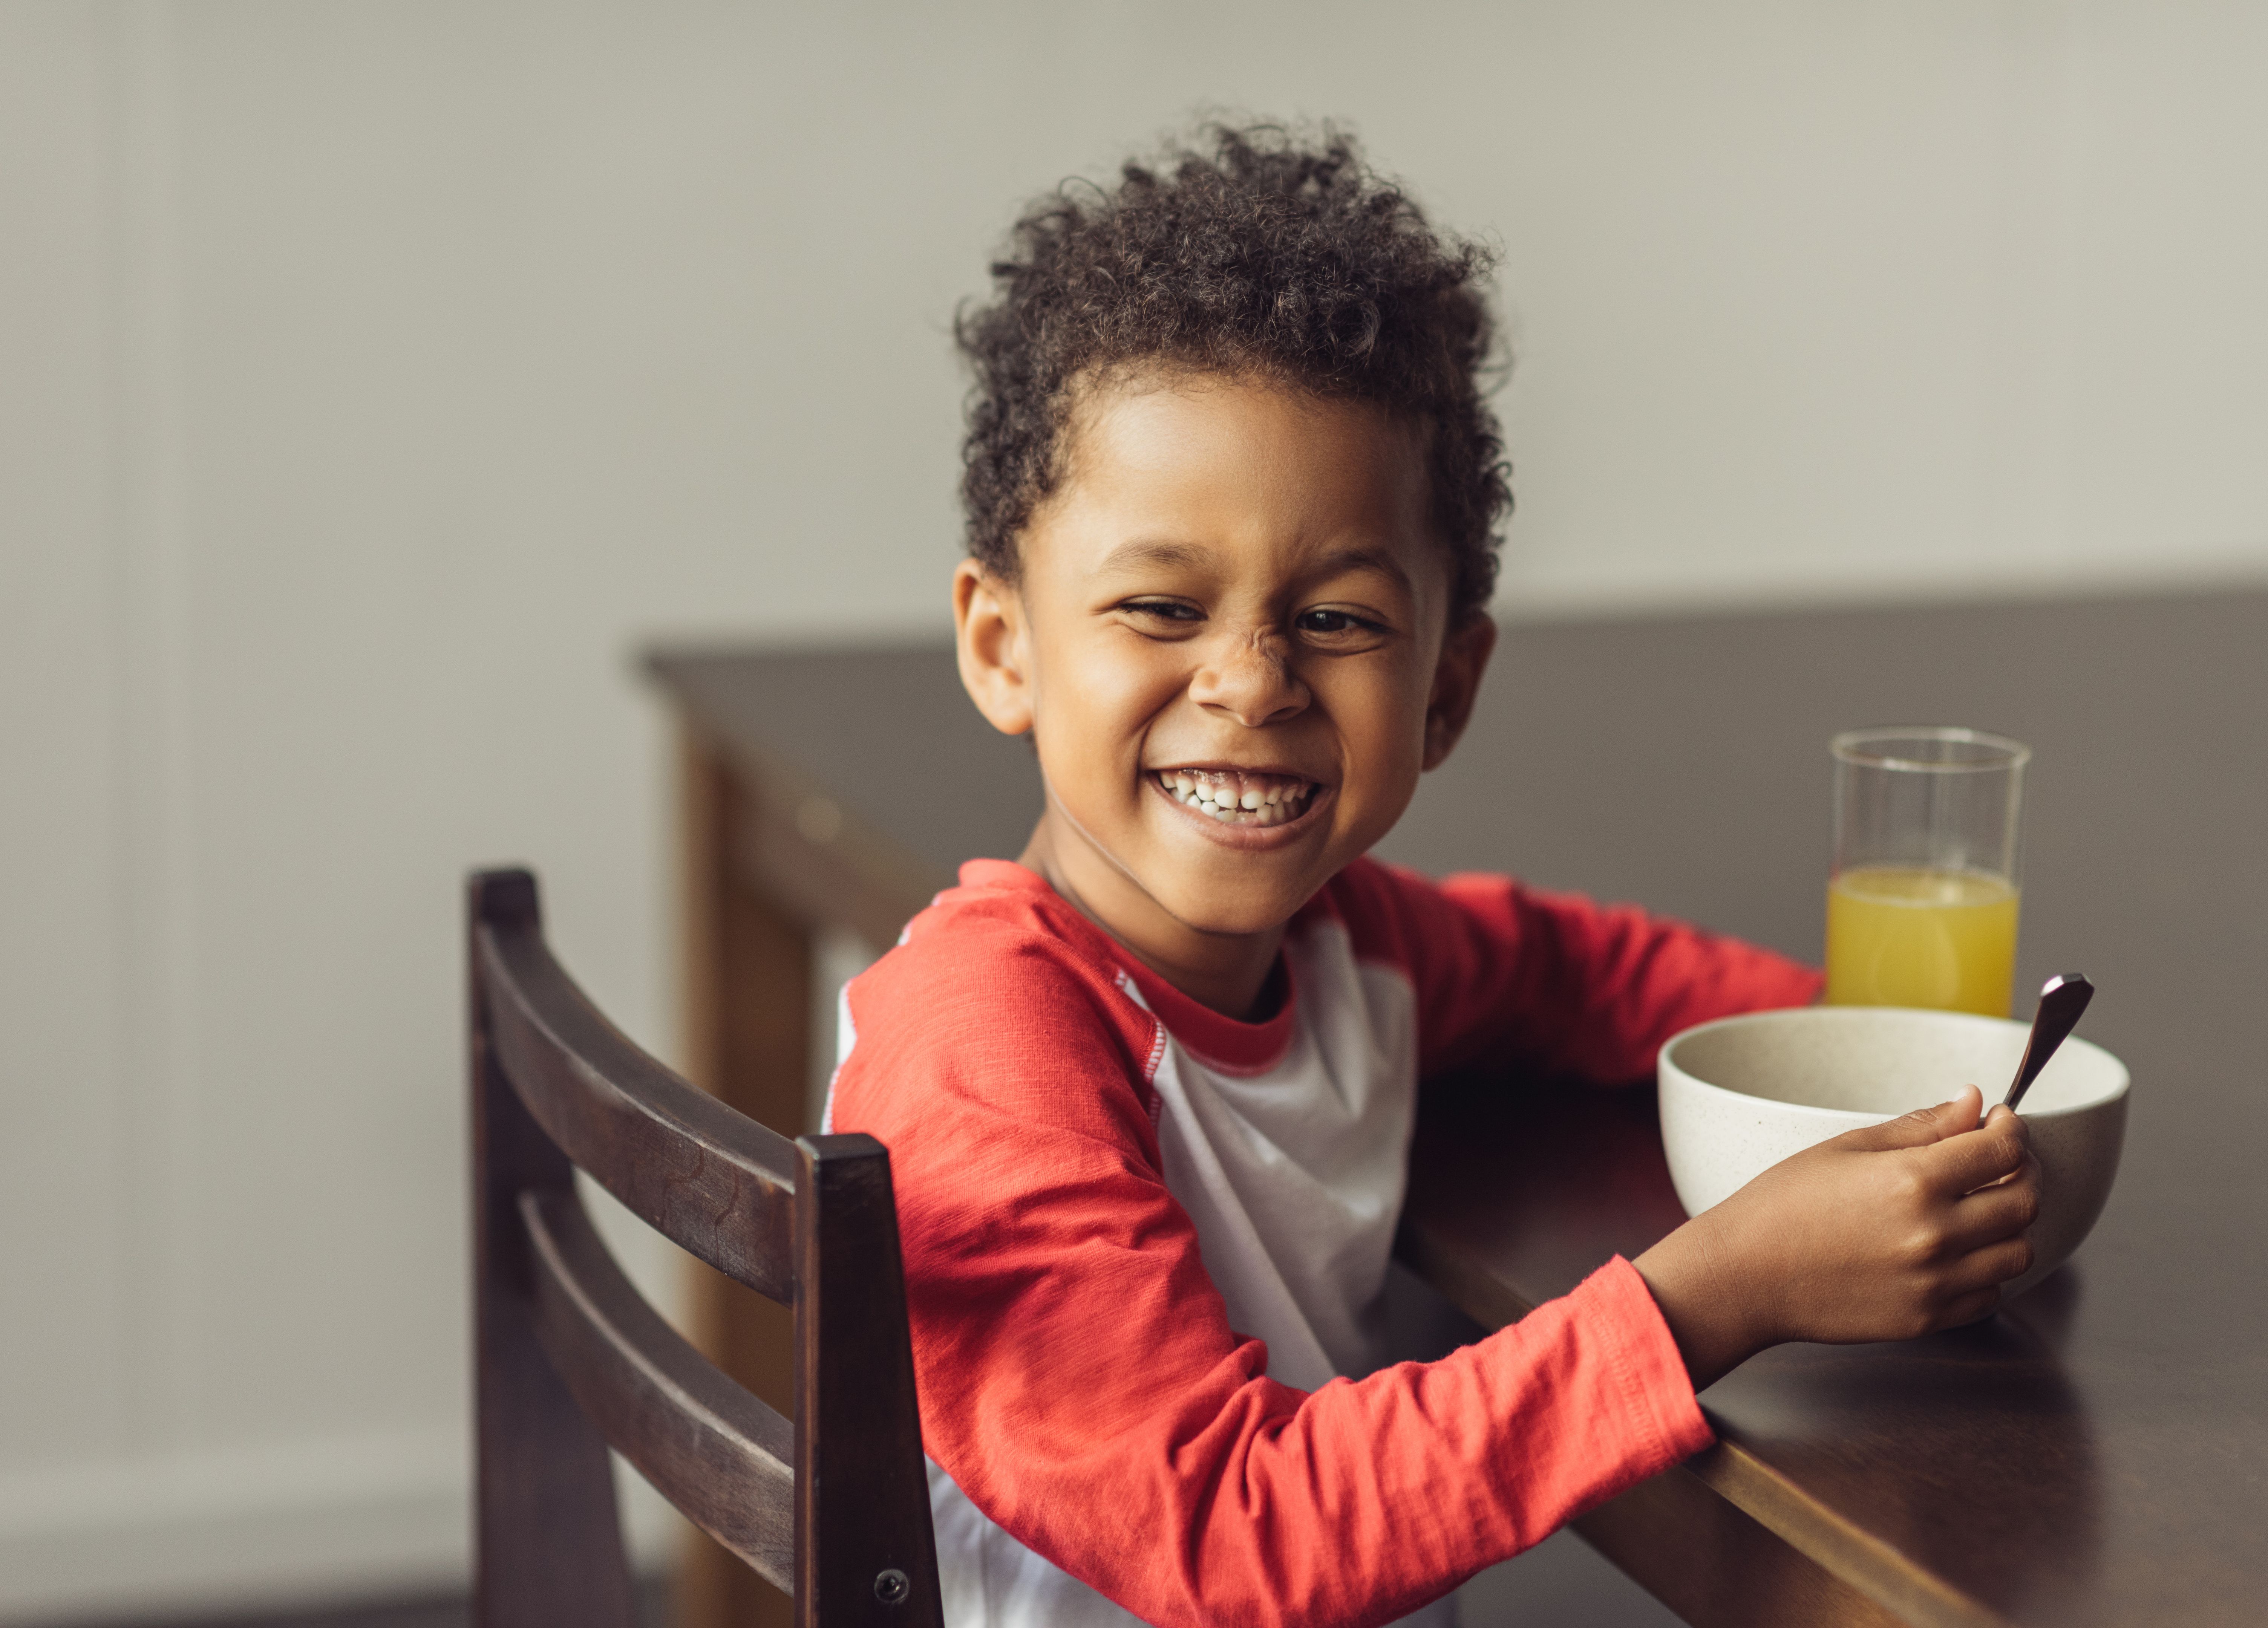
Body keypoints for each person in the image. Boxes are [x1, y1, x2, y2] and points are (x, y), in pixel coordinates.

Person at [824, 123, 2040, 1628]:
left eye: (1336, 622)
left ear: (1446, 692)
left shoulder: (1348, 949)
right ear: (1003, 646)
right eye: (1159, 607)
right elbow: (1229, 1528)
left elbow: (1576, 976)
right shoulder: (982, 1051)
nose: (1249, 681)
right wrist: (1722, 1289)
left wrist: (1891, 1076)